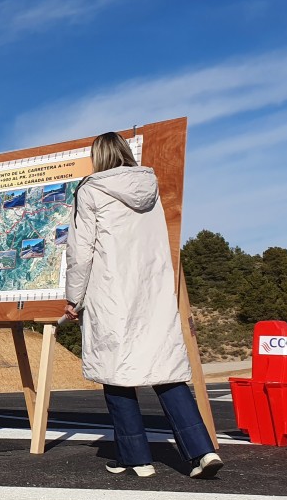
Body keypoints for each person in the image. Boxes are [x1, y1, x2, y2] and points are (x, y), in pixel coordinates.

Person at [64, 132, 223, 479]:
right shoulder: (148, 186)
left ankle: (136, 458)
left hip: (111, 291)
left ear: (99, 157)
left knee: (117, 373)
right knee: (164, 369)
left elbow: (80, 251)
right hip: (151, 290)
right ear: (124, 152)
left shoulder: (91, 189)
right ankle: (202, 450)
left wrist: (74, 298)